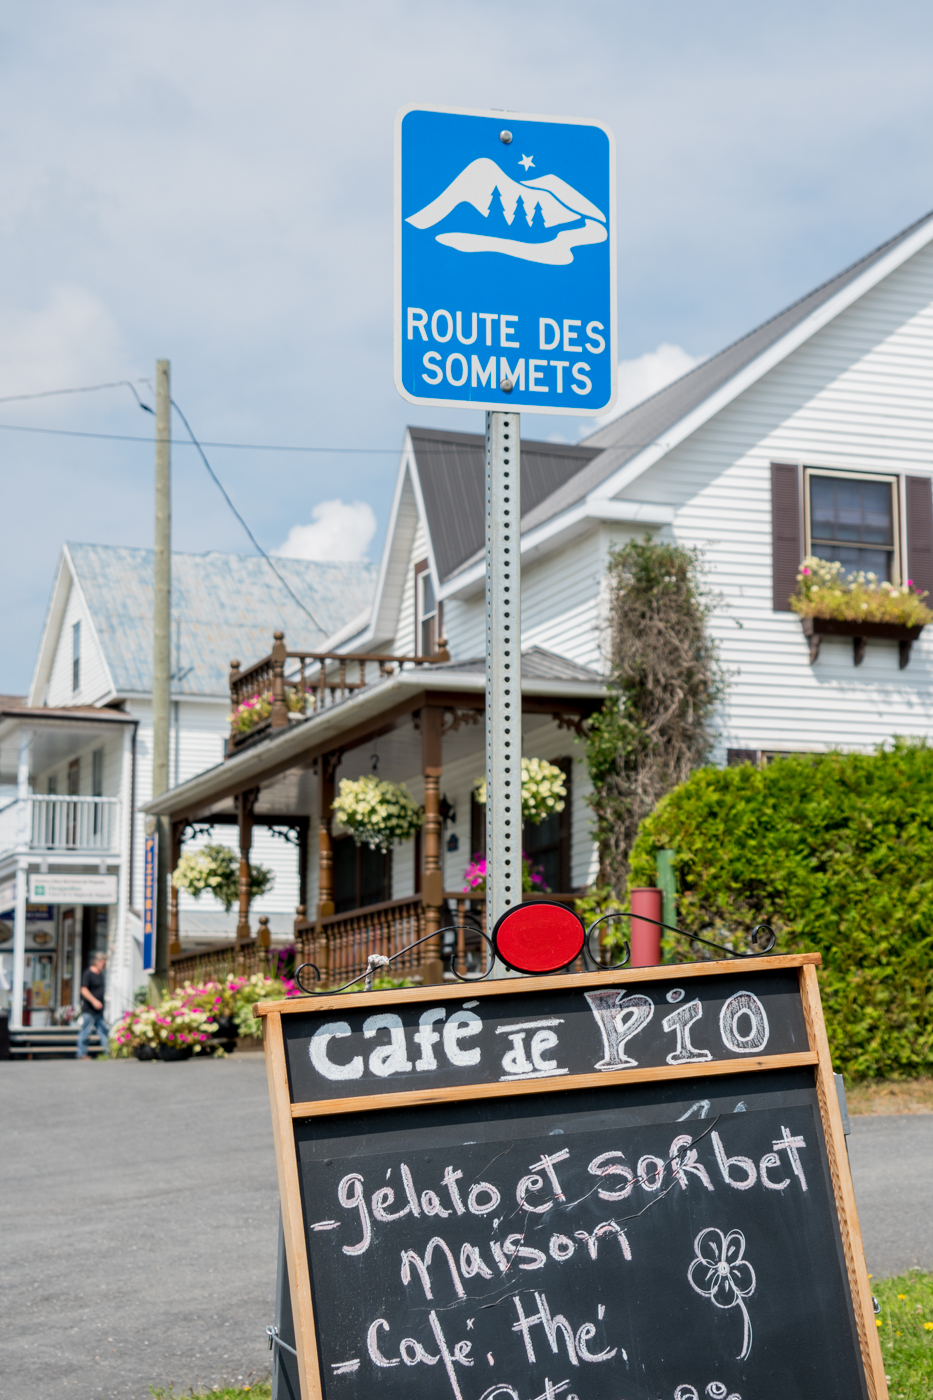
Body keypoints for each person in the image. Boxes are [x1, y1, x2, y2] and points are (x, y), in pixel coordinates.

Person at [76, 951, 108, 1059]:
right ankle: (82, 1053)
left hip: (99, 1010)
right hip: (89, 1009)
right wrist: (94, 1001)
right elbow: (84, 990)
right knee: (86, 1031)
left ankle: (108, 1052)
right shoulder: (88, 973)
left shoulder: (101, 975)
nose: (104, 965)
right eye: (103, 963)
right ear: (97, 962)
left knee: (103, 1031)